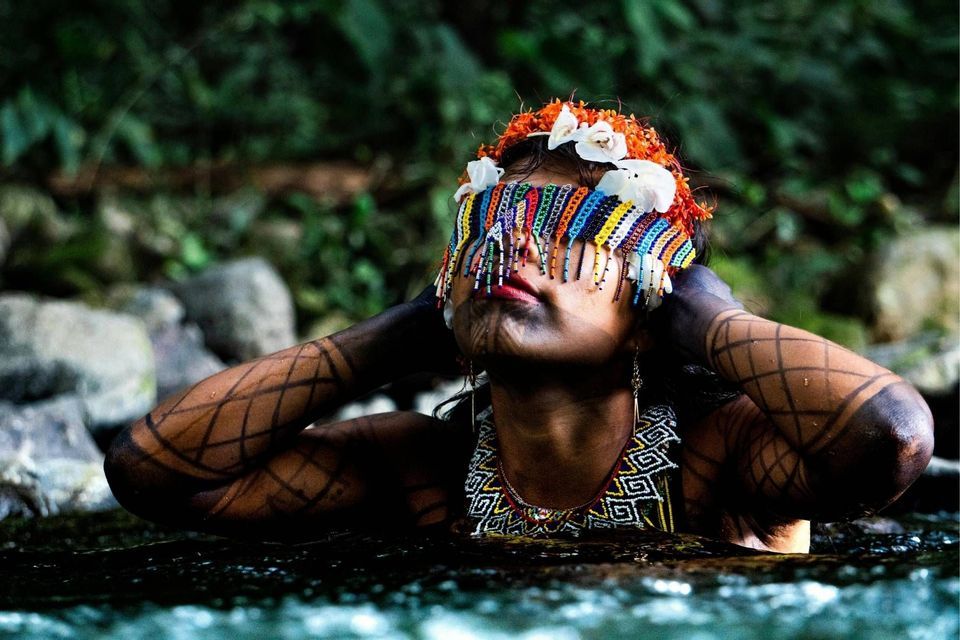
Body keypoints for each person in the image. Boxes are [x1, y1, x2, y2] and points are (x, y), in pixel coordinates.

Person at [105, 100, 934, 553]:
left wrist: (706, 316)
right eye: (494, 224)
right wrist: (399, 336)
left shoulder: (724, 461)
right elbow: (156, 475)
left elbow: (889, 440)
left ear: (651, 298)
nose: (516, 250)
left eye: (577, 231)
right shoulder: (425, 470)